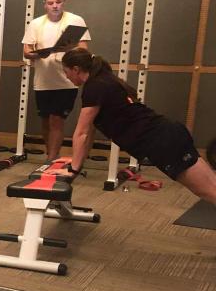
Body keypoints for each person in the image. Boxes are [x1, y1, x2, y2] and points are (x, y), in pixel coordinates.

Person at [59, 48, 216, 203]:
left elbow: (82, 133)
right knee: (212, 187)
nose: (66, 77)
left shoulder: (94, 87)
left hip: (162, 142)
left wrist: (73, 170)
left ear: (76, 69)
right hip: (168, 133)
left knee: (208, 191)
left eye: (66, 72)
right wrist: (76, 164)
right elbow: (88, 133)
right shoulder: (103, 79)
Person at [23, 0, 91, 161]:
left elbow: (83, 49)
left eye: (58, 2)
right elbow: (26, 51)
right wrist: (39, 53)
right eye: (51, 3)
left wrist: (66, 50)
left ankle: (50, 160)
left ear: (64, 1)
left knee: (56, 119)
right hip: (43, 81)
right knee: (46, 121)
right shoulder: (36, 23)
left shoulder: (76, 20)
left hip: (66, 82)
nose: (55, 6)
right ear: (44, 4)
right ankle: (51, 155)